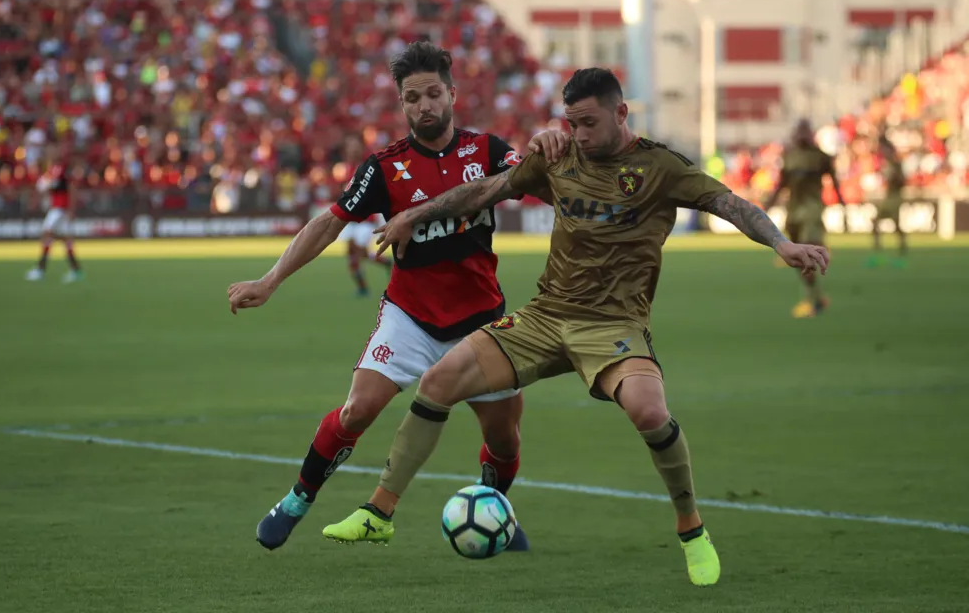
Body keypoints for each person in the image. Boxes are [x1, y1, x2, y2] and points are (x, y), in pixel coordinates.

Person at [321, 68, 830, 588]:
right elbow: (483, 191)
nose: (580, 135)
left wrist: (781, 243)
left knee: (651, 412)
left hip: (613, 324)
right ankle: (379, 513)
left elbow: (731, 204)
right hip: (546, 316)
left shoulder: (660, 167)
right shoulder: (559, 156)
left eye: (589, 123)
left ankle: (691, 528)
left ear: (620, 113)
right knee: (437, 383)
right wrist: (416, 216)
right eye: (572, 123)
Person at [227, 41, 566, 552]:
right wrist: (270, 280)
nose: (424, 105)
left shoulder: (488, 152)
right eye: (413, 98)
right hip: (410, 317)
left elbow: (544, 183)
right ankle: (296, 501)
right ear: (402, 104)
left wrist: (549, 149)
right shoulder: (385, 167)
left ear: (452, 94)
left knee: (504, 439)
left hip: (481, 323)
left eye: (433, 94)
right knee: (357, 410)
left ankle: (494, 510)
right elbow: (328, 224)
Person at [765, 120, 844, 318]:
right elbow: (782, 183)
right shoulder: (789, 156)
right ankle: (816, 295)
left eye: (804, 132)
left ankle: (814, 300)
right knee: (795, 254)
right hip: (793, 212)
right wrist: (769, 204)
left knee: (805, 252)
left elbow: (834, 180)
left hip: (812, 209)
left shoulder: (821, 158)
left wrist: (842, 201)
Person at [337, 138, 393, 296]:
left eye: (355, 148)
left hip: (365, 219)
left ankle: (383, 265)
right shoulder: (344, 169)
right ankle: (363, 286)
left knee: (358, 252)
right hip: (349, 218)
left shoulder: (367, 168)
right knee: (351, 253)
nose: (353, 151)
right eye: (350, 148)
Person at [26, 159, 83, 283]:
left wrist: (71, 208)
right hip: (57, 209)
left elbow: (69, 187)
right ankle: (75, 270)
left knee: (47, 234)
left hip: (59, 209)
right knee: (62, 241)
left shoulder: (60, 172)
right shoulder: (51, 173)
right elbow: (45, 188)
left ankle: (40, 270)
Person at [868, 136, 908, 267]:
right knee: (885, 222)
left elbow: (902, 181)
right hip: (890, 197)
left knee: (893, 223)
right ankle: (884, 247)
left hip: (894, 198)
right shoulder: (888, 163)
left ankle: (897, 247)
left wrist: (892, 178)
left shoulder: (895, 163)